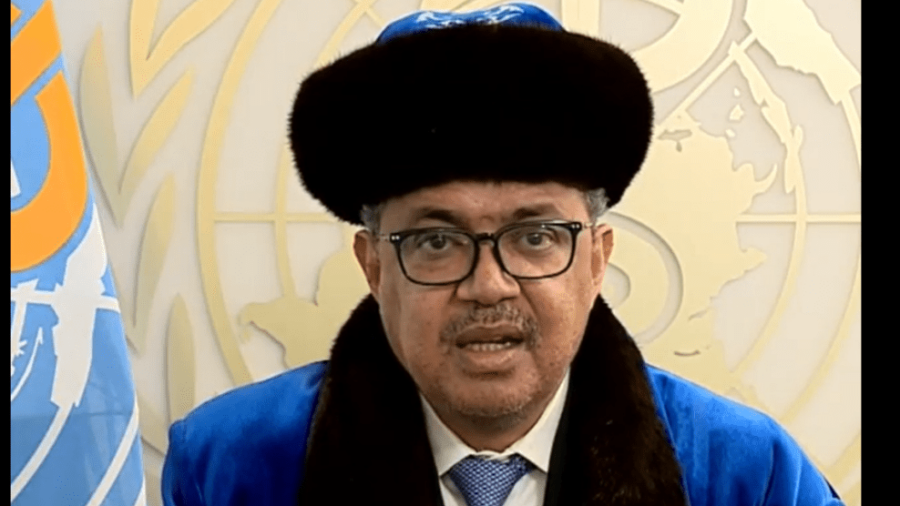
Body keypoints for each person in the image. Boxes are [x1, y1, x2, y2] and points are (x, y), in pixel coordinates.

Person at [161, 3, 844, 505]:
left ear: (597, 259)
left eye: (535, 236)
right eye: (436, 241)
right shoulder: (232, 467)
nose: (489, 286)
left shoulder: (744, 474)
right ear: (373, 267)